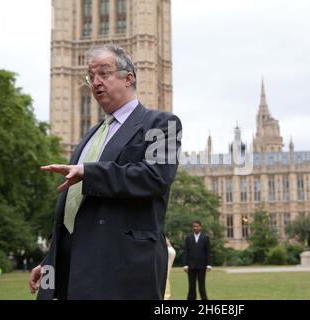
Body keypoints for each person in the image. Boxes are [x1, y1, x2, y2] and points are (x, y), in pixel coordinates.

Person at [28, 44, 182, 300]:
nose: (95, 82)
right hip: (70, 268)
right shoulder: (90, 137)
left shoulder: (160, 124)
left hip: (121, 270)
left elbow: (155, 176)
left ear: (128, 77)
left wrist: (90, 173)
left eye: (104, 74)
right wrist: (52, 259)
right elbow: (76, 210)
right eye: (91, 77)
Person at [183, 221, 211, 300]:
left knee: (201, 286)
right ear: (192, 227)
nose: (195, 228)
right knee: (191, 286)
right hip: (191, 266)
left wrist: (209, 264)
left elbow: (208, 252)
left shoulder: (205, 238)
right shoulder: (188, 238)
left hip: (202, 266)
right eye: (194, 226)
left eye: (197, 226)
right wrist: (185, 265)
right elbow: (186, 252)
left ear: (200, 227)